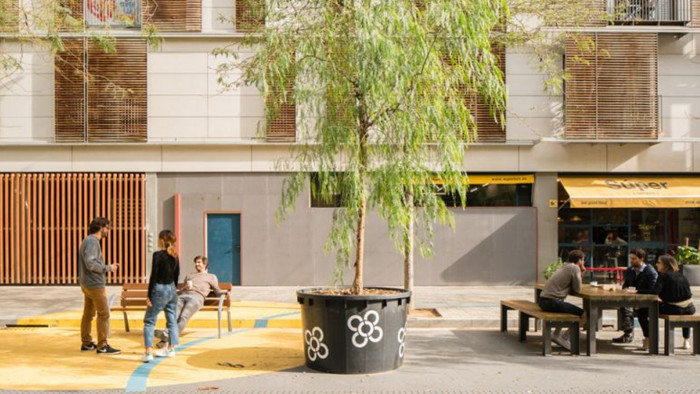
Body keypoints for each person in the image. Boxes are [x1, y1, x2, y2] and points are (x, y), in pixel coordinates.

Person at [153, 256, 223, 348]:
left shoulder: (211, 277)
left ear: (205, 264)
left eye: (198, 262)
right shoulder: (189, 276)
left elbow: (217, 291)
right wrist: (184, 288)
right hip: (183, 296)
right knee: (173, 316)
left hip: (197, 298)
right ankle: (167, 336)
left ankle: (166, 337)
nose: (196, 264)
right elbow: (181, 291)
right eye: (195, 263)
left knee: (183, 316)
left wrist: (226, 293)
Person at [79, 217, 121, 355]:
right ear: (101, 227)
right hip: (95, 284)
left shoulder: (88, 240)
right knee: (103, 314)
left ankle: (86, 343)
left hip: (87, 283)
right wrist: (108, 268)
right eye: (108, 228)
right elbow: (91, 263)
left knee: (88, 314)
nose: (109, 230)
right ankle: (102, 345)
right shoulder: (92, 242)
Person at [637, 255, 695, 350]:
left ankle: (648, 339)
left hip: (674, 309)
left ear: (666, 265)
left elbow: (654, 293)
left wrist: (637, 291)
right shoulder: (682, 275)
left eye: (659, 262)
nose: (656, 264)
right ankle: (686, 341)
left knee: (642, 311)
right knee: (685, 313)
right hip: (690, 308)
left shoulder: (663, 276)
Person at [142, 230, 180, 363]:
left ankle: (148, 352)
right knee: (172, 321)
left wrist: (149, 296)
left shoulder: (157, 255)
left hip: (159, 289)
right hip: (172, 290)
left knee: (149, 321)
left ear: (162, 240)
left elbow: (154, 276)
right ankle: (171, 349)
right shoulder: (175, 255)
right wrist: (172, 290)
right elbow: (176, 277)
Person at [538, 249, 588, 351]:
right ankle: (564, 338)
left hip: (544, 300)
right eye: (583, 260)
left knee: (564, 306)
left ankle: (556, 335)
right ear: (579, 260)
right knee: (584, 315)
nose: (583, 262)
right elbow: (578, 289)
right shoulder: (574, 268)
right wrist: (582, 271)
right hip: (551, 302)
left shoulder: (565, 266)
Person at [612, 248, 658, 348]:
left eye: (634, 258)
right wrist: (626, 290)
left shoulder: (650, 272)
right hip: (631, 300)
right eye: (630, 258)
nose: (631, 261)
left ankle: (638, 336)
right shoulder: (629, 270)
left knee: (640, 312)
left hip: (647, 301)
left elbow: (653, 290)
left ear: (642, 259)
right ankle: (628, 333)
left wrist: (637, 292)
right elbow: (625, 285)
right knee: (624, 305)